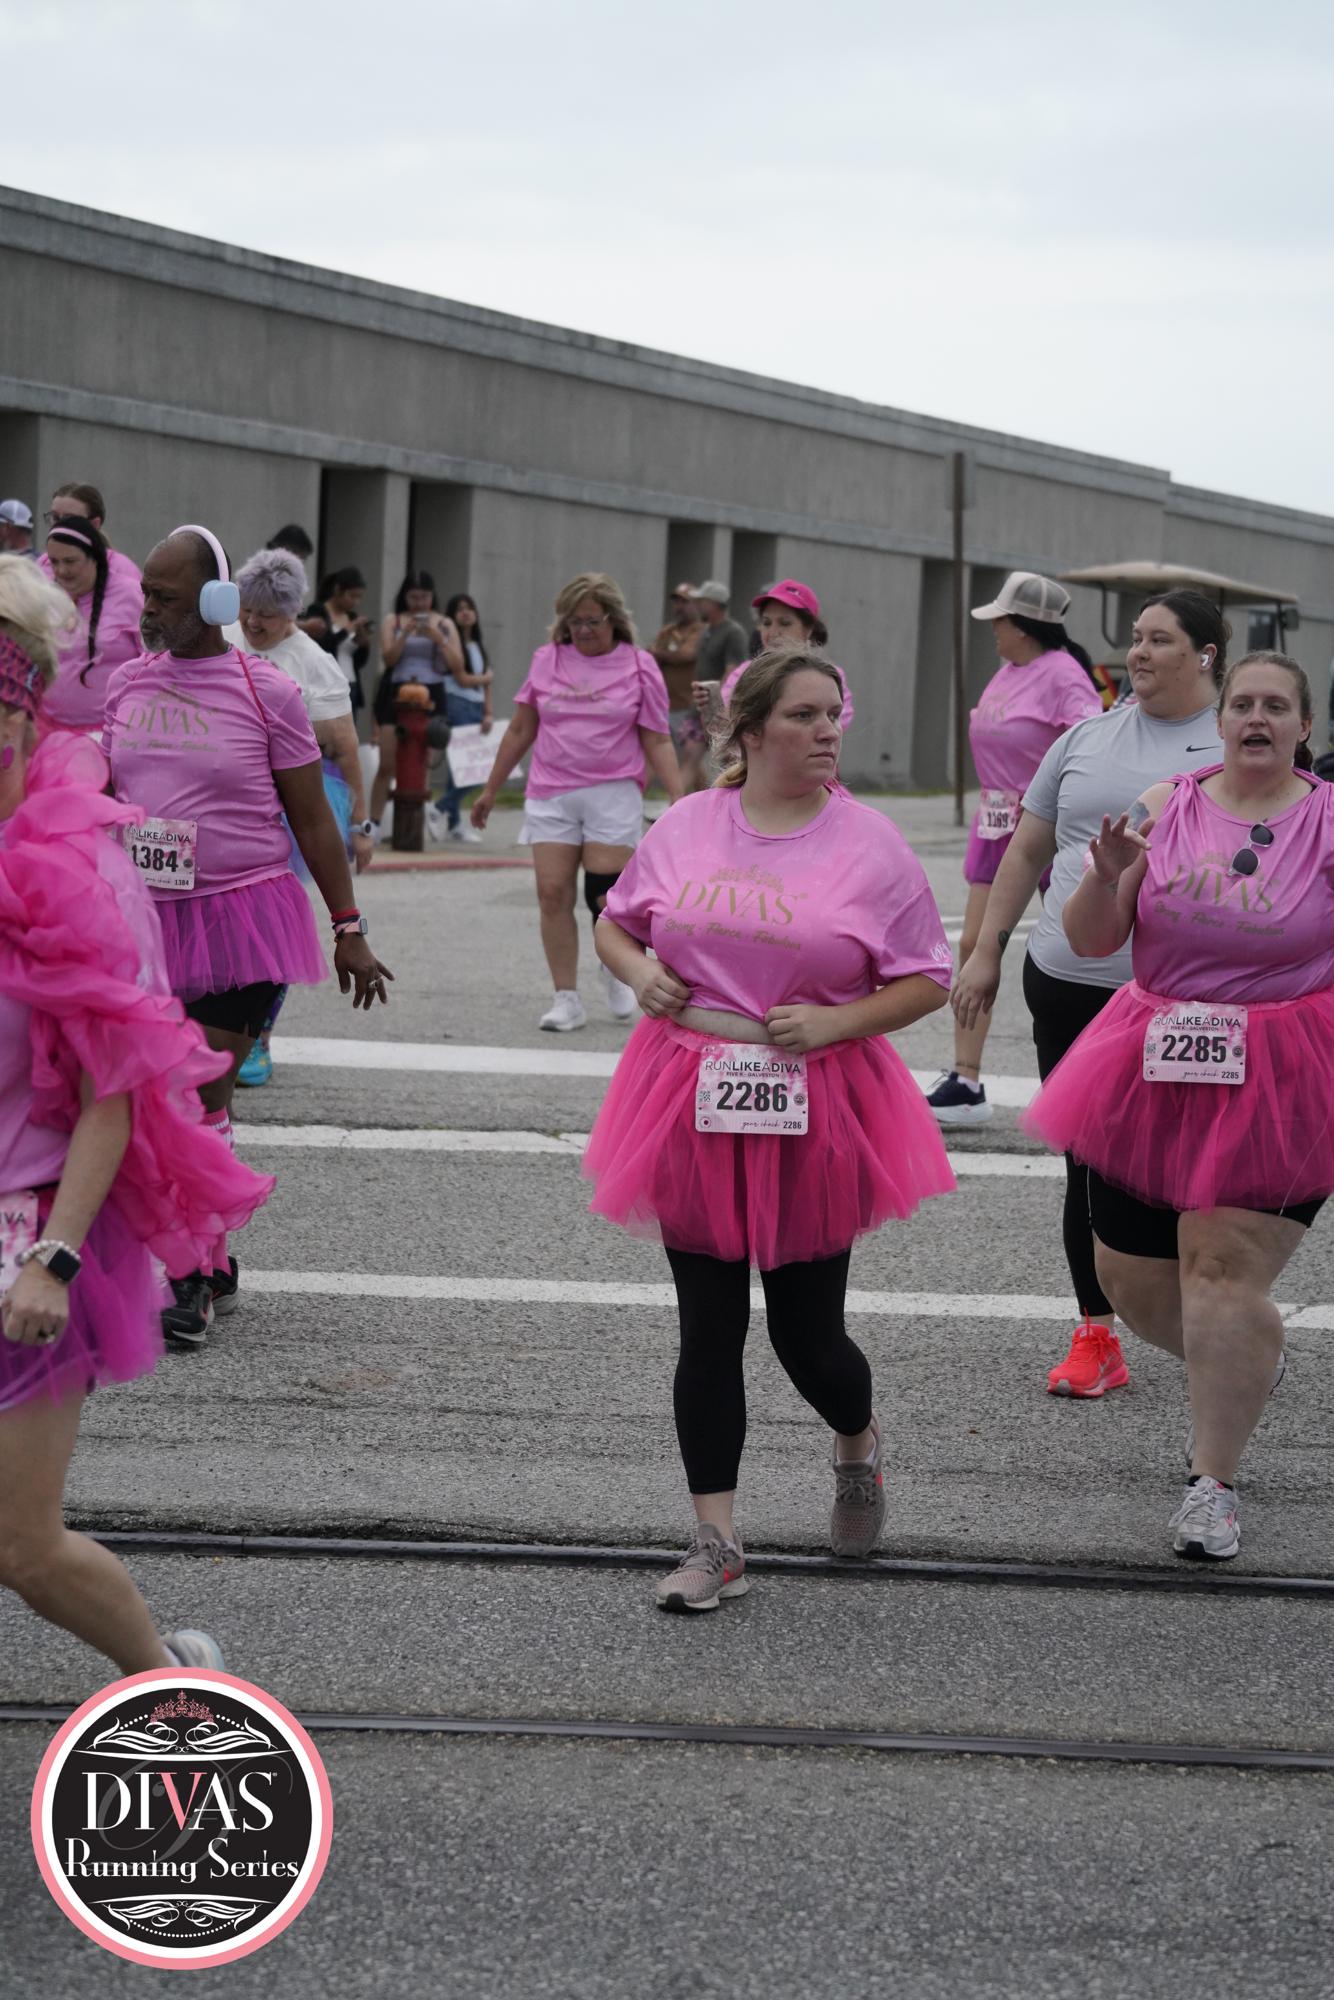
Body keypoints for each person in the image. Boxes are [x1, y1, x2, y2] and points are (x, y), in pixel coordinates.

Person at [583, 648, 955, 1609]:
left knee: (808, 1340)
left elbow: (927, 976)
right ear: (749, 732)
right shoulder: (689, 823)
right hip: (690, 1087)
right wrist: (639, 973)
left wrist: (837, 1022)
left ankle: (857, 1444)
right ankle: (715, 1543)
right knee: (707, 1329)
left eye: (834, 713)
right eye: (804, 715)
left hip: (817, 1096)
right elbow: (616, 922)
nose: (829, 731)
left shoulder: (870, 842)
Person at [0, 553, 271, 1679]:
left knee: (21, 1544)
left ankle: (169, 1680)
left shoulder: (72, 870)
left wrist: (54, 1258)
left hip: (31, 1228)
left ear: (21, 722)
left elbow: (112, 1095)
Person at [1023, 650, 1334, 1561]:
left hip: (1283, 1067)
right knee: (1132, 1279)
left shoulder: (1327, 820)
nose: (1257, 719)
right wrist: (1103, 875)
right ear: (1221, 720)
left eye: (1276, 706)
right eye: (1243, 704)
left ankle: (1212, 1486)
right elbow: (1093, 940)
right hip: (1155, 1058)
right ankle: (1247, 1358)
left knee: (1221, 1271)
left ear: (1304, 727)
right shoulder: (1167, 805)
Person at [103, 525, 393, 1346]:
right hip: (142, 920)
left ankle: (191, 1275)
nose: (148, 609)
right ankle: (212, 1255)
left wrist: (348, 926)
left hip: (238, 918)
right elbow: (97, 789)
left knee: (196, 1095)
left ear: (216, 599)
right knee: (156, 1098)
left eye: (164, 596)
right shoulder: (127, 683)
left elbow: (312, 818)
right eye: (146, 593)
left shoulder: (268, 692)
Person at [952, 590, 1232, 1398]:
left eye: (1159, 640)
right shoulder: (1084, 738)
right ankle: (1096, 1334)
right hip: (1071, 986)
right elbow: (1026, 849)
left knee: (1191, 1172)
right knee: (1086, 1165)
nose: (1138, 652)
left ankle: (1207, 1319)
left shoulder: (1232, 745)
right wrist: (986, 951)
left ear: (1205, 654)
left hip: (1188, 1005)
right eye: (1136, 638)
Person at [926, 572, 1103, 1127]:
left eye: (999, 620)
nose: (993, 629)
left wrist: (1052, 802)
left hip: (1046, 828)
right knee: (975, 944)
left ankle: (1087, 1079)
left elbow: (1090, 744)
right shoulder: (1008, 671)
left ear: (1023, 626)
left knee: (1075, 950)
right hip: (994, 821)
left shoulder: (1065, 676)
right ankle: (966, 1082)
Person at [471, 572, 682, 1031]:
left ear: (613, 620)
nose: (582, 630)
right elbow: (521, 729)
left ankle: (613, 967)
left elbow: (657, 737)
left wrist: (679, 797)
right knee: (552, 893)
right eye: (574, 622)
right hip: (552, 792)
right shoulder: (547, 660)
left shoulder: (639, 665)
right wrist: (490, 789)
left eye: (592, 621)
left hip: (613, 790)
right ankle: (565, 998)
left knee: (605, 897)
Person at [225, 547, 378, 1088]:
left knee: (267, 927)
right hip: (227, 799)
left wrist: (360, 825)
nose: (253, 622)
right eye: (247, 609)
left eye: (267, 614)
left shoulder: (314, 663)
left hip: (293, 804)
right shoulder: (224, 638)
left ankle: (258, 1037)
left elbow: (345, 746)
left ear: (292, 612)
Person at [371, 572, 463, 828]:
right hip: (398, 688)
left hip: (432, 689)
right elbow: (388, 658)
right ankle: (374, 821)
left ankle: (416, 822)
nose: (419, 603)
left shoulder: (444, 623)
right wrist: (404, 634)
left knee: (423, 759)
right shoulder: (393, 620)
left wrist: (439, 639)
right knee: (387, 761)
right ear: (405, 596)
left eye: (425, 597)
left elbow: (457, 665)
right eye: (414, 597)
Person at [41, 520, 144, 735]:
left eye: (70, 561)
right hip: (47, 729)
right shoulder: (46, 596)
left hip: (110, 730)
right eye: (54, 562)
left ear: (94, 557)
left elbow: (155, 660)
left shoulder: (131, 595)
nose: (61, 570)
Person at [433, 591, 493, 844]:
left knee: (465, 769)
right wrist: (486, 677)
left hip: (476, 706)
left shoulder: (478, 645)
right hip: (457, 703)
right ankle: (440, 808)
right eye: (459, 609)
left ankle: (452, 822)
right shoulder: (452, 645)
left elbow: (486, 686)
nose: (466, 612)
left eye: (469, 608)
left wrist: (488, 712)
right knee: (468, 769)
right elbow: (462, 679)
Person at [649, 583, 706, 793]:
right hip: (664, 703)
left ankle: (704, 795)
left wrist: (662, 654)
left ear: (696, 605)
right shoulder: (669, 631)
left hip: (686, 704)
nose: (679, 606)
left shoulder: (701, 631)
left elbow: (687, 655)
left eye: (685, 602)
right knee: (665, 753)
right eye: (677, 601)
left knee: (691, 758)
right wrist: (663, 654)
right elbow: (650, 654)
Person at [41, 484, 141, 594]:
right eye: (55, 517)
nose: (59, 525)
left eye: (70, 519)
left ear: (95, 524)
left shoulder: (122, 570)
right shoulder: (43, 562)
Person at [307, 566, 373, 710]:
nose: (356, 602)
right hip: (326, 684)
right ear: (338, 590)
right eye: (352, 596)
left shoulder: (351, 616)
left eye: (359, 597)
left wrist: (362, 642)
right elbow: (320, 646)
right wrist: (345, 631)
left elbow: (359, 661)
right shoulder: (318, 611)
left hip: (350, 683)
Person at [690, 580, 748, 690]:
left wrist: (717, 697)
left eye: (701, 601)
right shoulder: (706, 630)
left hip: (717, 698)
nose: (697, 606)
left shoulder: (733, 632)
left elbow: (732, 672)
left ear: (714, 604)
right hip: (701, 697)